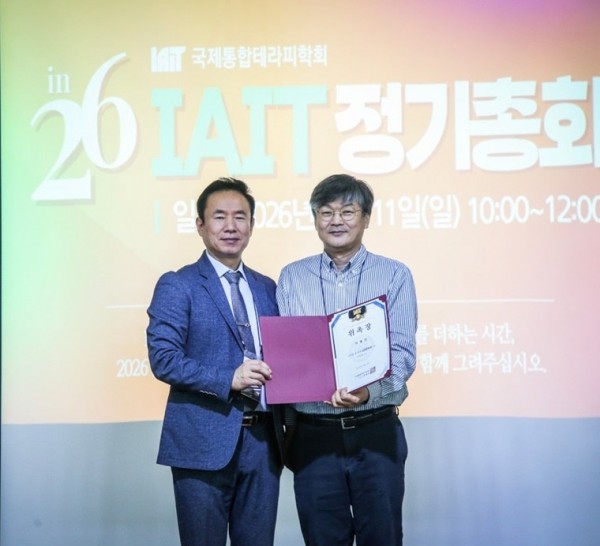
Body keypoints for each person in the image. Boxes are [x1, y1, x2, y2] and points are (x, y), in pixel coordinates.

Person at [277, 173, 418, 546]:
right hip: (313, 436)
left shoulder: (395, 275)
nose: (335, 220)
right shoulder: (292, 277)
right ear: (315, 220)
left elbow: (403, 354)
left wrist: (368, 391)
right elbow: (286, 355)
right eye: (326, 212)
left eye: (347, 211)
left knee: (383, 538)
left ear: (366, 218)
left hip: (375, 431)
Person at [147, 177, 283, 546]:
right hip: (201, 441)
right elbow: (164, 359)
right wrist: (229, 379)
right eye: (219, 217)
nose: (231, 226)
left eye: (240, 217)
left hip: (263, 442)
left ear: (252, 225)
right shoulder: (179, 284)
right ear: (200, 225)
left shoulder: (268, 287)